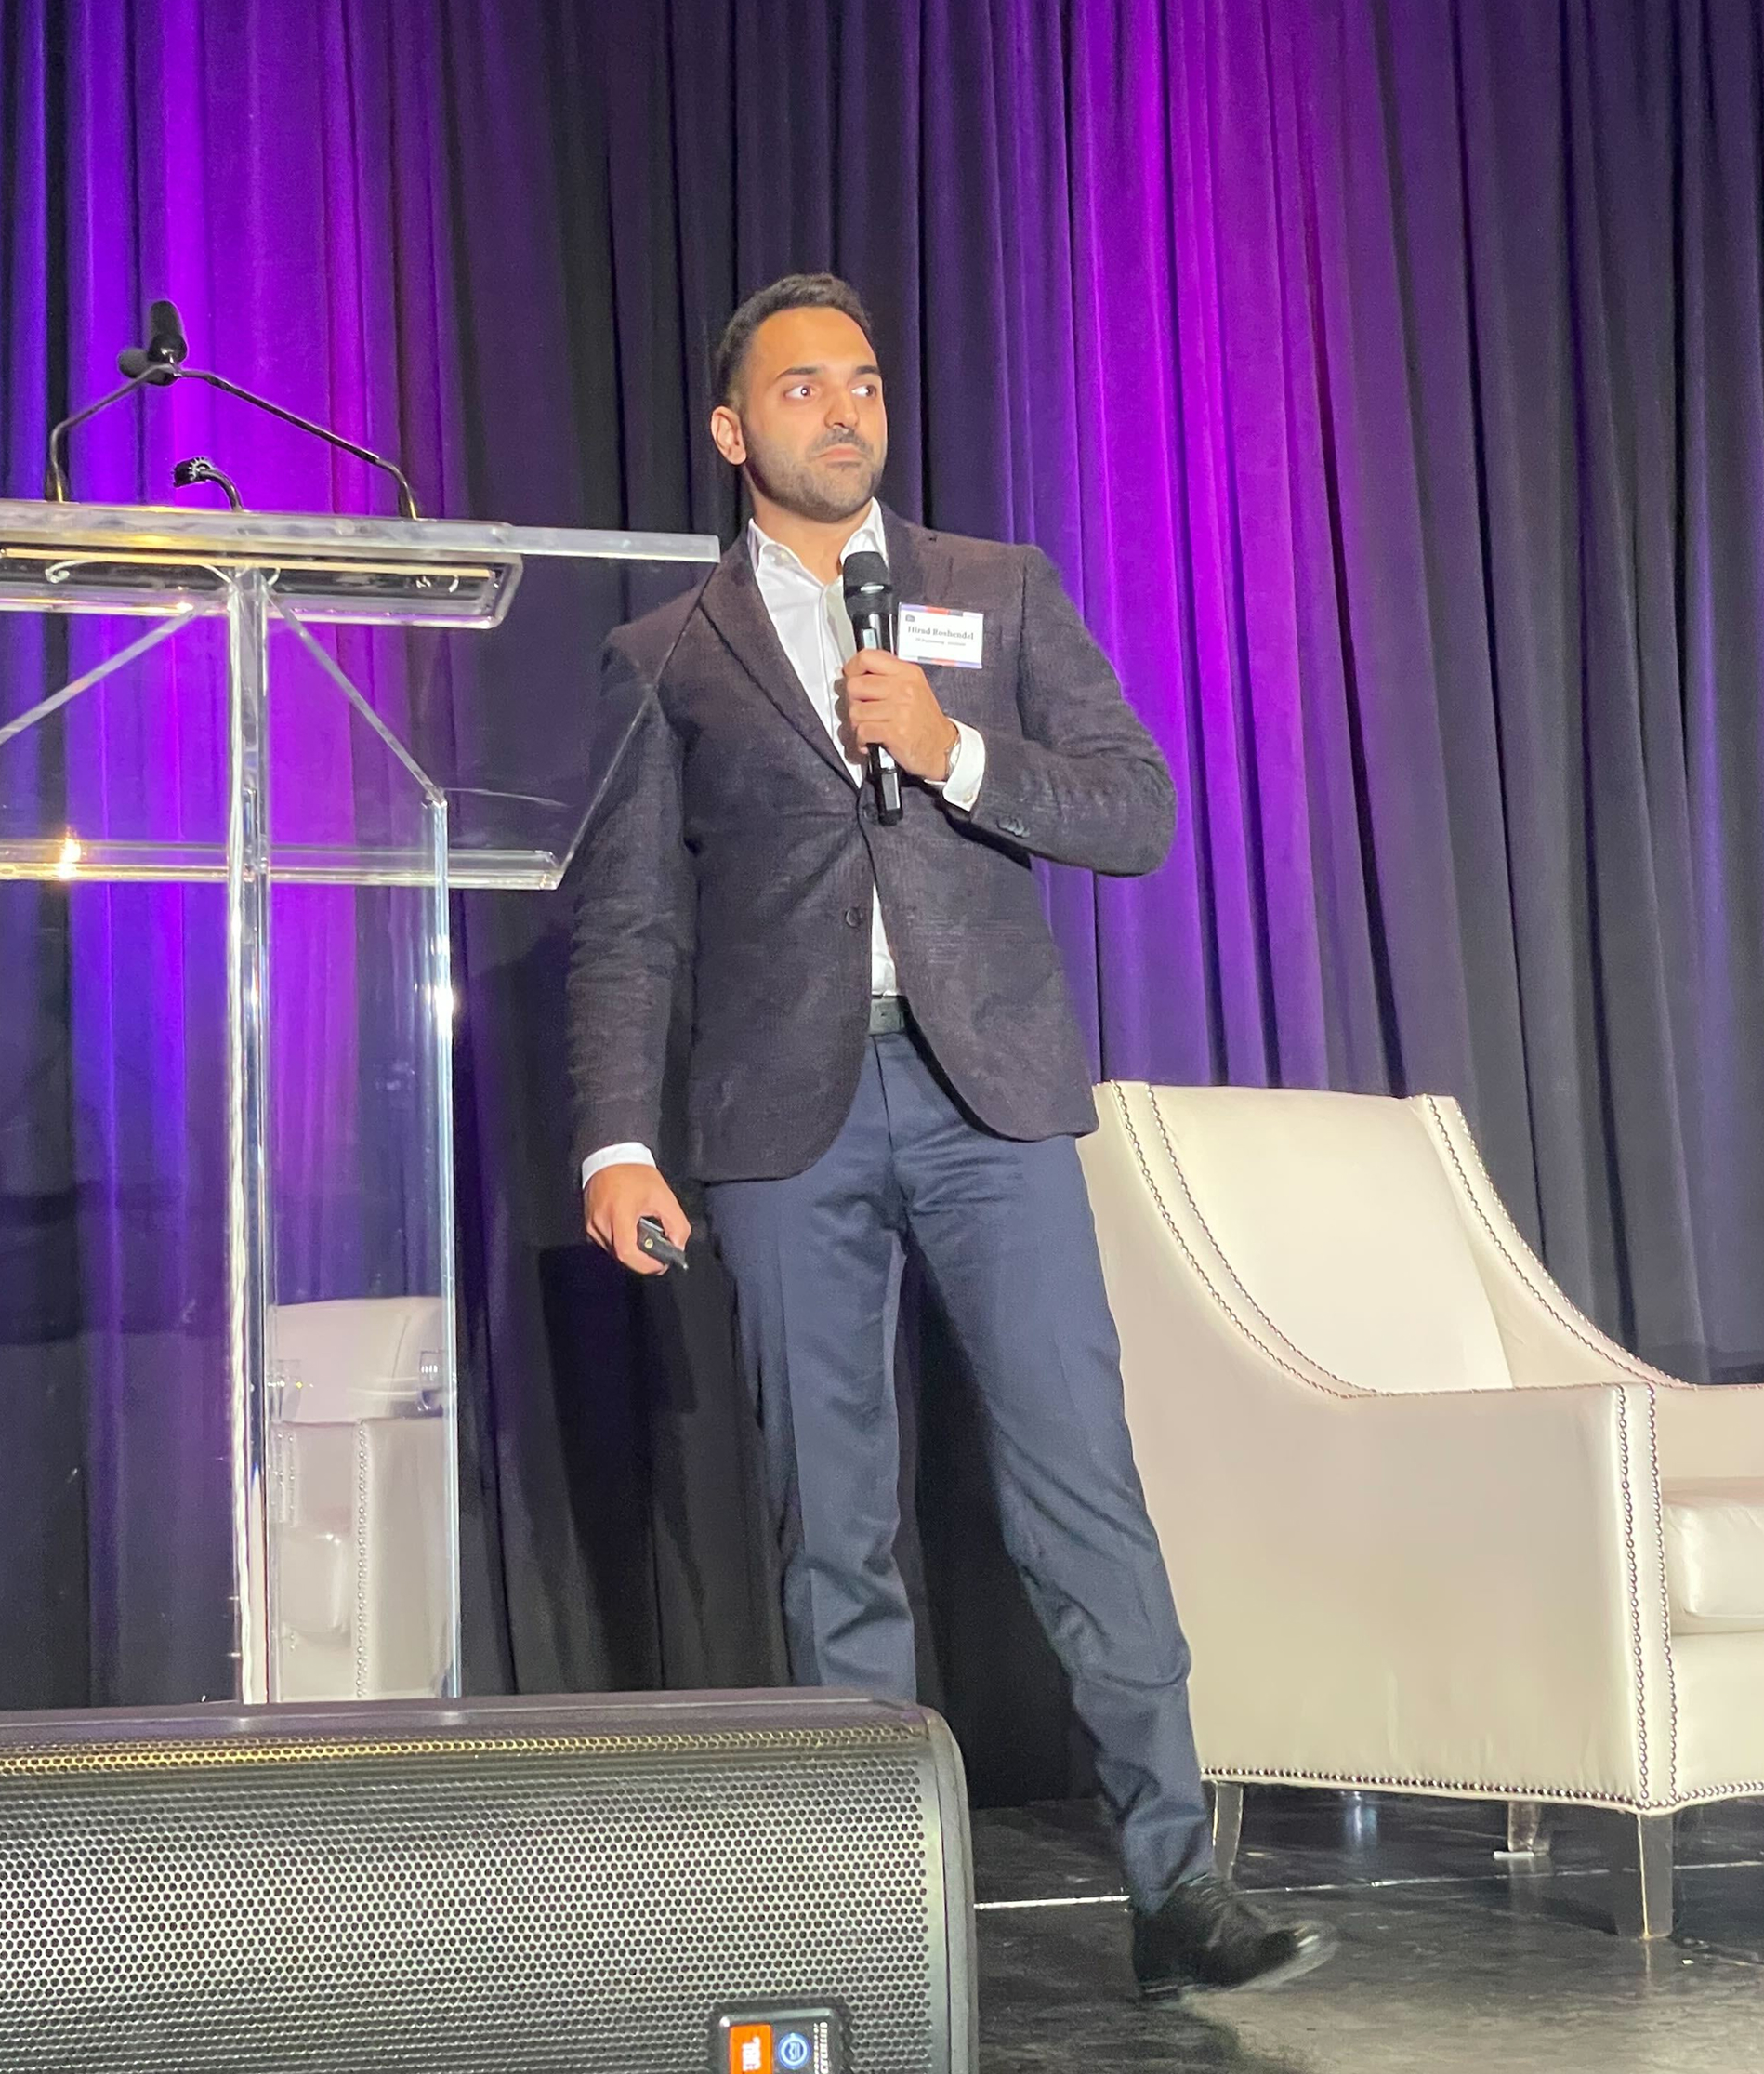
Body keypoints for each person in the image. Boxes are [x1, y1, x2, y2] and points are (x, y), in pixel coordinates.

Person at [566, 272, 1329, 1997]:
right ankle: (869, 1910)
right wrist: (614, 1140)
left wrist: (955, 748)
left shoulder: (996, 590)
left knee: (1081, 1492)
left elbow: (1132, 811)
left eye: (863, 382)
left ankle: (1173, 1886)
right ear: (728, 431)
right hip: (784, 1119)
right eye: (798, 389)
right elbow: (622, 925)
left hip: (991, 1105)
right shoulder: (666, 653)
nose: (841, 412)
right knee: (828, 1521)